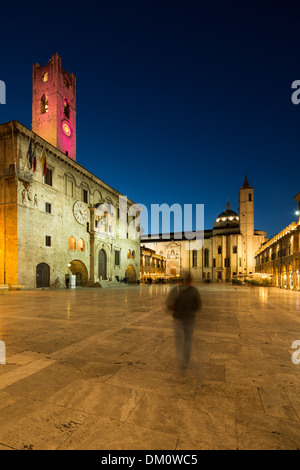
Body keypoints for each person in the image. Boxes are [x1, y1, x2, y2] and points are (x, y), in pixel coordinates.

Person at [166, 273, 201, 379]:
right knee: (188, 341)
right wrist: (191, 311)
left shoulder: (176, 290)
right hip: (189, 319)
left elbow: (168, 304)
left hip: (178, 319)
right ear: (190, 281)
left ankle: (181, 367)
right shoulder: (194, 291)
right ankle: (186, 361)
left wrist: (174, 309)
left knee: (179, 343)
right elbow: (198, 306)